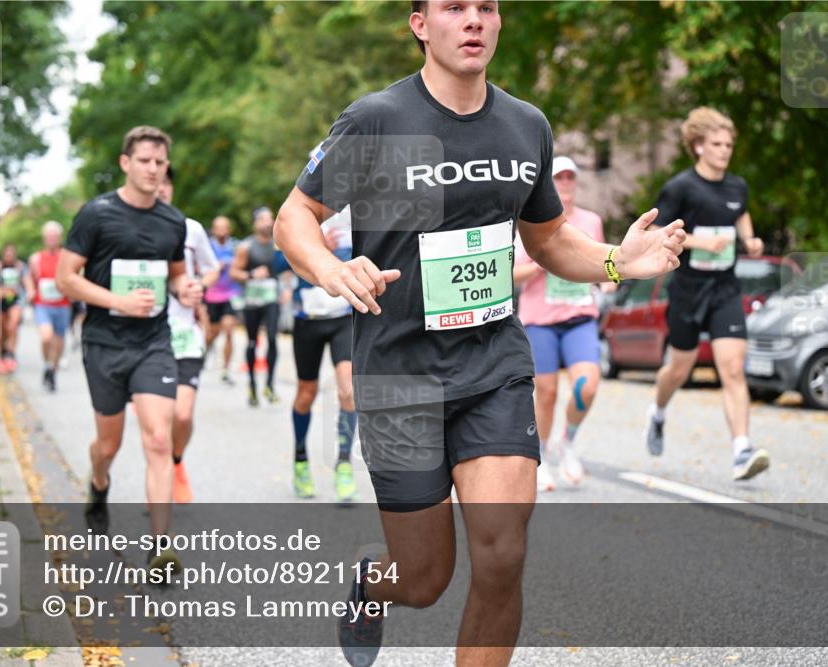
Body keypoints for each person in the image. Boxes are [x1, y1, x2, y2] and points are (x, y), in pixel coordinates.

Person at [273, 2, 685, 665]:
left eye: (485, 7)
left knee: (502, 551)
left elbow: (547, 237)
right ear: (419, 24)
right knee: (424, 576)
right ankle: (373, 583)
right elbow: (295, 215)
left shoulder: (524, 127)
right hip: (399, 373)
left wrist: (616, 261)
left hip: (492, 364)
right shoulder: (379, 120)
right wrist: (327, 265)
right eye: (454, 7)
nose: (473, 20)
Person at [56, 125, 203, 573]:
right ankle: (99, 484)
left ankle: (160, 548)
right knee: (108, 444)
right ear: (125, 163)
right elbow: (66, 278)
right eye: (145, 161)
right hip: (104, 342)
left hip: (153, 343)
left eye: (160, 162)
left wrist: (185, 289)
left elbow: (176, 274)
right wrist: (117, 301)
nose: (154, 170)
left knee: (159, 438)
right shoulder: (96, 214)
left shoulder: (172, 221)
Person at [645, 107, 770, 482]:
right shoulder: (681, 187)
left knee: (732, 368)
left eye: (729, 144)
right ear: (698, 146)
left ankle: (741, 450)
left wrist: (749, 239)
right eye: (716, 143)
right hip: (687, 289)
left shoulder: (737, 186)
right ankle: (658, 411)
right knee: (679, 369)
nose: (724, 150)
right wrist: (702, 241)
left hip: (725, 289)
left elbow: (741, 213)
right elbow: (659, 232)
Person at [512, 156, 607, 491]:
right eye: (559, 178)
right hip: (541, 320)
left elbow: (596, 262)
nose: (565, 184)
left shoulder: (591, 221)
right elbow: (512, 272)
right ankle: (539, 456)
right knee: (547, 393)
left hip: (579, 317)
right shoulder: (532, 220)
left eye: (570, 178)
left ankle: (567, 441)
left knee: (588, 386)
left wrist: (606, 278)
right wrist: (545, 260)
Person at [275, 204, 358, 502]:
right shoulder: (301, 213)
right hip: (307, 321)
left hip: (342, 319)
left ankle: (344, 464)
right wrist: (316, 250)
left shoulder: (356, 216)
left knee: (348, 390)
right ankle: (300, 461)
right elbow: (276, 260)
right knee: (305, 394)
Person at [156, 166, 220, 503]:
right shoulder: (134, 228)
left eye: (167, 182)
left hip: (184, 332)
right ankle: (159, 480)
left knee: (182, 414)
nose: (161, 188)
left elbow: (212, 268)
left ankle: (176, 461)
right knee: (158, 420)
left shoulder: (191, 229)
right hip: (148, 336)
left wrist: (199, 287)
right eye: (157, 182)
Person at [230, 206, 283, 407]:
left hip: (271, 299)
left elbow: (286, 269)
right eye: (262, 219)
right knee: (252, 341)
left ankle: (269, 384)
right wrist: (251, 275)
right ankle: (252, 384)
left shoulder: (278, 245)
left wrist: (285, 288)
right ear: (255, 223)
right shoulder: (246, 247)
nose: (268, 222)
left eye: (270, 218)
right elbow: (234, 272)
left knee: (272, 338)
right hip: (252, 301)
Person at [28, 221, 72, 392]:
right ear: (44, 238)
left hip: (62, 305)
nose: (52, 238)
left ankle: (52, 370)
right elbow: (29, 278)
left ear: (60, 238)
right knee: (46, 337)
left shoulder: (66, 257)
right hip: (43, 304)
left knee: (59, 342)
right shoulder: (35, 258)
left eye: (55, 236)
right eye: (49, 235)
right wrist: (31, 290)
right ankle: (47, 364)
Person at [0, 244, 32, 375]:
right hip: (1, 302)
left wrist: (30, 291)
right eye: (7, 254)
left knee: (13, 325)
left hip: (15, 300)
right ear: (3, 255)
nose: (9, 256)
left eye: (12, 253)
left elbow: (27, 281)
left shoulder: (20, 267)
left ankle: (11, 354)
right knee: (3, 332)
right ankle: (2, 356)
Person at [204, 215, 242, 385]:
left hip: (230, 295)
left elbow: (242, 265)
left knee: (228, 330)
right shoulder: (207, 246)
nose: (221, 230)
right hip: (211, 296)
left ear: (229, 230)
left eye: (224, 227)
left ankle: (225, 370)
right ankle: (206, 350)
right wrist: (214, 268)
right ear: (213, 229)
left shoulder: (235, 246)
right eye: (218, 227)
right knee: (212, 333)